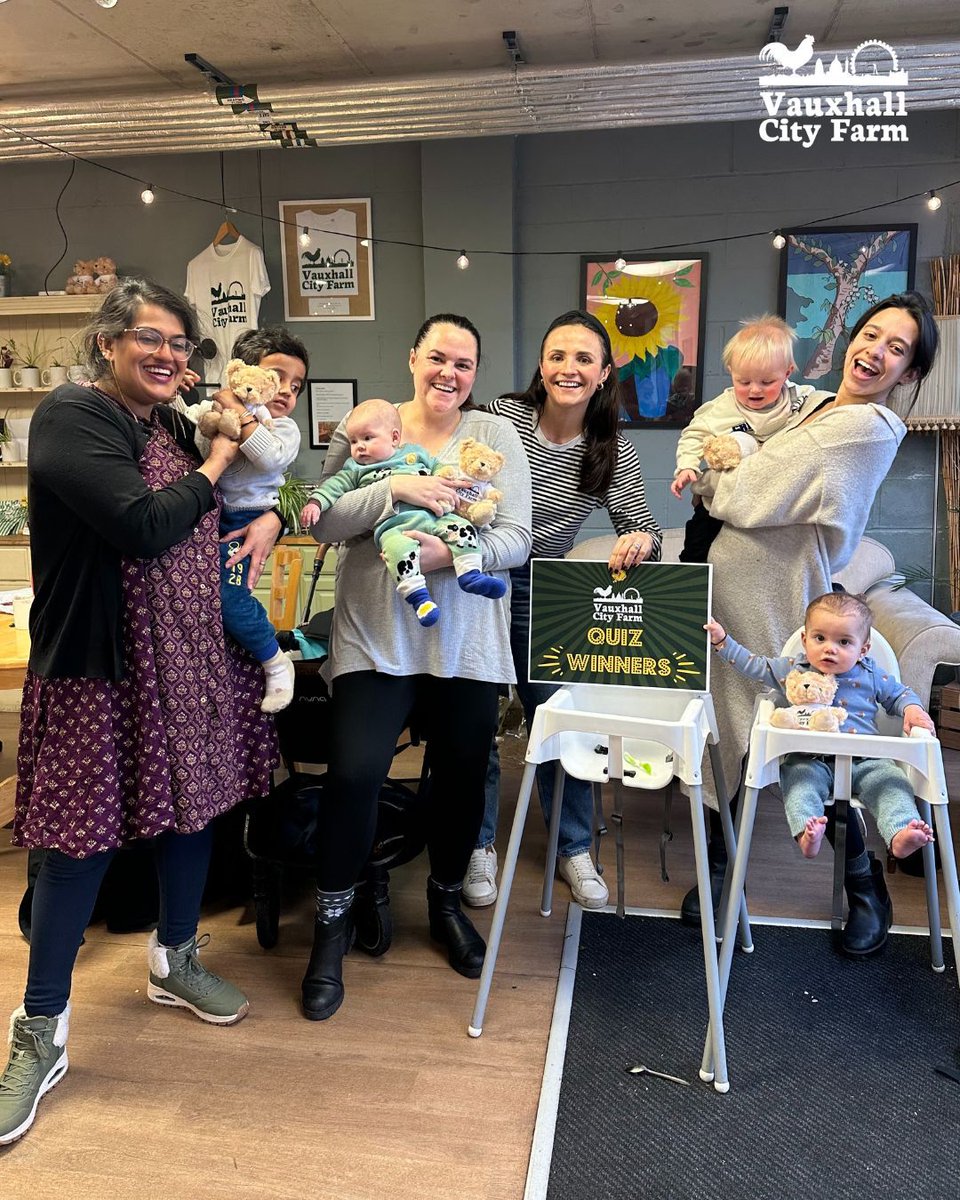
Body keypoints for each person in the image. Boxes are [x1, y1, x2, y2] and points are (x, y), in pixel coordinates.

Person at [0, 279, 282, 1146]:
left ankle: (176, 957)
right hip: (100, 665)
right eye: (150, 340)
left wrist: (267, 509)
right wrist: (222, 461)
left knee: (189, 816)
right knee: (75, 846)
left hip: (187, 657)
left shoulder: (172, 421)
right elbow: (144, 524)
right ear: (109, 342)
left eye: (181, 345)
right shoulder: (70, 418)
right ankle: (39, 1032)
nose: (168, 357)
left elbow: (240, 495)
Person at [682, 291, 939, 956]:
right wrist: (720, 468)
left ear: (909, 371)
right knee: (728, 728)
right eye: (871, 334)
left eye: (897, 347)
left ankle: (864, 885)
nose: (875, 351)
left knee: (822, 738)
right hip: (730, 594)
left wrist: (725, 481)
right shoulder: (817, 405)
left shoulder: (864, 427)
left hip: (789, 601)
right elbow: (723, 445)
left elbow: (747, 492)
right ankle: (722, 870)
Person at [300, 313, 531, 1021]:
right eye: (438, 358)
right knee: (357, 774)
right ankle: (331, 927)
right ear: (412, 357)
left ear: (474, 374)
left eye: (464, 364)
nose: (449, 374)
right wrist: (393, 495)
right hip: (375, 637)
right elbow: (324, 519)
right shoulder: (369, 422)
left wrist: (444, 556)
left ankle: (444, 904)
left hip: (466, 644)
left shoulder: (494, 437)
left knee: (462, 778)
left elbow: (517, 538)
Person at [463, 309, 662, 911]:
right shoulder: (500, 418)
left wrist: (640, 543)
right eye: (557, 356)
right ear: (541, 366)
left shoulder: (610, 448)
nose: (568, 368)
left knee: (563, 723)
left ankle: (574, 848)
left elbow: (646, 528)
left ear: (605, 372)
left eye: (583, 359)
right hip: (476, 578)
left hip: (546, 594)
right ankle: (477, 846)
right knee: (475, 723)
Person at [707, 591, 935, 873]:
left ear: (863, 649)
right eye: (820, 638)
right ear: (805, 640)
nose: (830, 648)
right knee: (799, 783)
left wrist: (912, 709)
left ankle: (900, 833)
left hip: (865, 761)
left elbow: (900, 695)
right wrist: (722, 642)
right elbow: (755, 665)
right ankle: (807, 832)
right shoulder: (794, 669)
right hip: (810, 760)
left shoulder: (871, 674)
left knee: (891, 783)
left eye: (844, 642)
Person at [181, 325, 307, 712]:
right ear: (240, 374)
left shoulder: (281, 427)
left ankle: (274, 660)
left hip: (246, 518)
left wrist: (241, 413)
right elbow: (190, 433)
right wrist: (176, 391)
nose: (286, 390)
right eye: (278, 377)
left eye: (296, 384)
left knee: (229, 598)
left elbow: (269, 457)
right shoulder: (219, 411)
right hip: (211, 512)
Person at [300, 398, 507, 627]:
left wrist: (446, 475)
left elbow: (437, 467)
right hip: (393, 527)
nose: (359, 446)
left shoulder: (413, 454)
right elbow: (332, 488)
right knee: (397, 552)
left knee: (464, 529)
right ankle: (420, 599)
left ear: (395, 438)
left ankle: (470, 574)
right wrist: (315, 503)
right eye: (353, 441)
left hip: (435, 517)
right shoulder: (354, 468)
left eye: (368, 438)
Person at [671, 315, 813, 562]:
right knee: (696, 545)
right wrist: (687, 466)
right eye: (743, 381)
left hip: (771, 501)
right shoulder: (720, 408)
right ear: (731, 372)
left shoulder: (799, 399)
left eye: (767, 382)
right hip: (718, 503)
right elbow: (694, 434)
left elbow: (827, 409)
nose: (754, 390)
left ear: (787, 372)